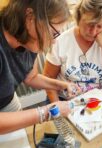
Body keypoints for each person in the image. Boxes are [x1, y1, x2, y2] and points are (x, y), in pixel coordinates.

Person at [0, 0, 80, 134]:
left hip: (8, 100)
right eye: (53, 32)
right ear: (29, 16)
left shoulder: (28, 39)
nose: (54, 41)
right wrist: (46, 112)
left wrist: (61, 85)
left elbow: (31, 77)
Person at [43, 0, 102, 102]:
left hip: (98, 100)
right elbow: (48, 78)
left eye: (100, 26)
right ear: (78, 19)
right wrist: (58, 107)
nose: (93, 31)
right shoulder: (61, 41)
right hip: (65, 99)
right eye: (89, 24)